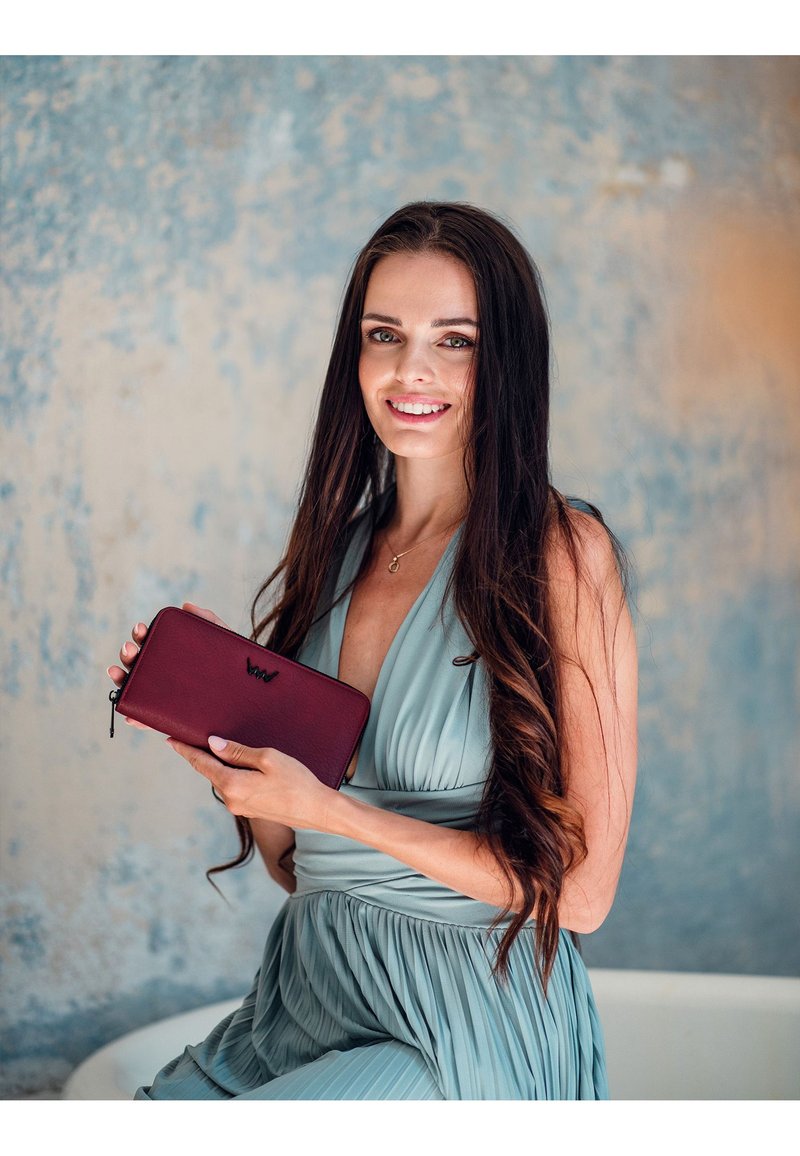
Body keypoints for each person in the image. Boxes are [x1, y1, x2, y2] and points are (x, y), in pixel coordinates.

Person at [107, 201, 638, 1100]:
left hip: (462, 1031)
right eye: (383, 334)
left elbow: (582, 899)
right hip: (300, 1008)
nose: (409, 370)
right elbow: (298, 866)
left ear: (506, 358)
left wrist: (338, 814)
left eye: (455, 340)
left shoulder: (561, 552)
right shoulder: (340, 549)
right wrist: (228, 757)